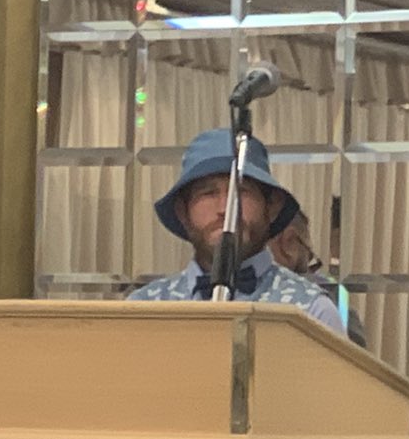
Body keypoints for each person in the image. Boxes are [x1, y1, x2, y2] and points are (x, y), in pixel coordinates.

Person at [127, 129, 347, 336]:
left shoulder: (311, 312)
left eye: (242, 191)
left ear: (272, 207)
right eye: (208, 193)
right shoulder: (142, 310)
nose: (225, 208)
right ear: (182, 212)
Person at [268, 206, 370, 348]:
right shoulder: (332, 296)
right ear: (289, 243)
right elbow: (356, 357)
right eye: (308, 252)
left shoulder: (324, 299)